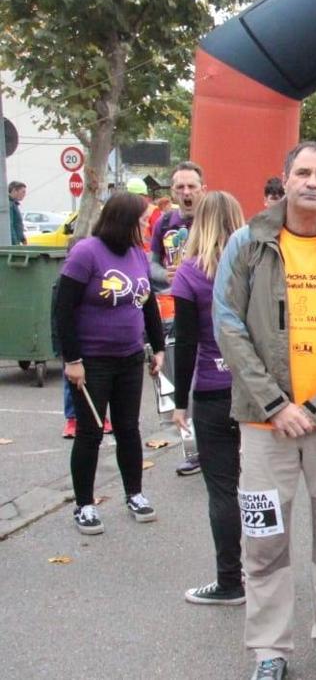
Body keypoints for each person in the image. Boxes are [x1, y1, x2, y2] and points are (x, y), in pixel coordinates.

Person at [213, 141, 316, 680]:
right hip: (265, 428)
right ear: (284, 179)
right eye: (303, 172)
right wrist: (276, 404)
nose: (313, 182)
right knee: (264, 541)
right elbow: (228, 326)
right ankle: (269, 650)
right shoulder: (247, 244)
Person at [55, 192, 165, 534]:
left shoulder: (137, 254)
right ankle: (84, 504)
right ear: (125, 221)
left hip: (129, 357)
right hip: (92, 361)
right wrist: (72, 359)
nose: (147, 226)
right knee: (90, 433)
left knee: (129, 428)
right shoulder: (86, 253)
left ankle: (135, 494)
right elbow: (62, 309)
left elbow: (147, 304)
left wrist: (157, 347)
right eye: (143, 221)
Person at [171, 191, 248, 605]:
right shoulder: (253, 268)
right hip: (256, 392)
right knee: (262, 489)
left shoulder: (189, 273)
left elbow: (184, 343)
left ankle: (229, 580)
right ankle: (266, 574)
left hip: (212, 390)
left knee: (222, 491)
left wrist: (180, 402)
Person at [153, 161, 207, 476]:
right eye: (180, 188)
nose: (186, 193)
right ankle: (191, 451)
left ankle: (216, 446)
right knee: (177, 386)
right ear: (173, 191)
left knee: (207, 383)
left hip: (205, 314)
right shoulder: (164, 223)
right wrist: (165, 273)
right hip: (171, 312)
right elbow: (151, 263)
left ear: (203, 189)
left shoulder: (211, 219)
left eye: (192, 187)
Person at [8, 180, 26, 245]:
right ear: (14, 191)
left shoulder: (14, 204)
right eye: (23, 192)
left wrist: (23, 238)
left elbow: (17, 224)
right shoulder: (9, 204)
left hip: (15, 241)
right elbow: (10, 226)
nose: (24, 194)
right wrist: (15, 244)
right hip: (11, 243)